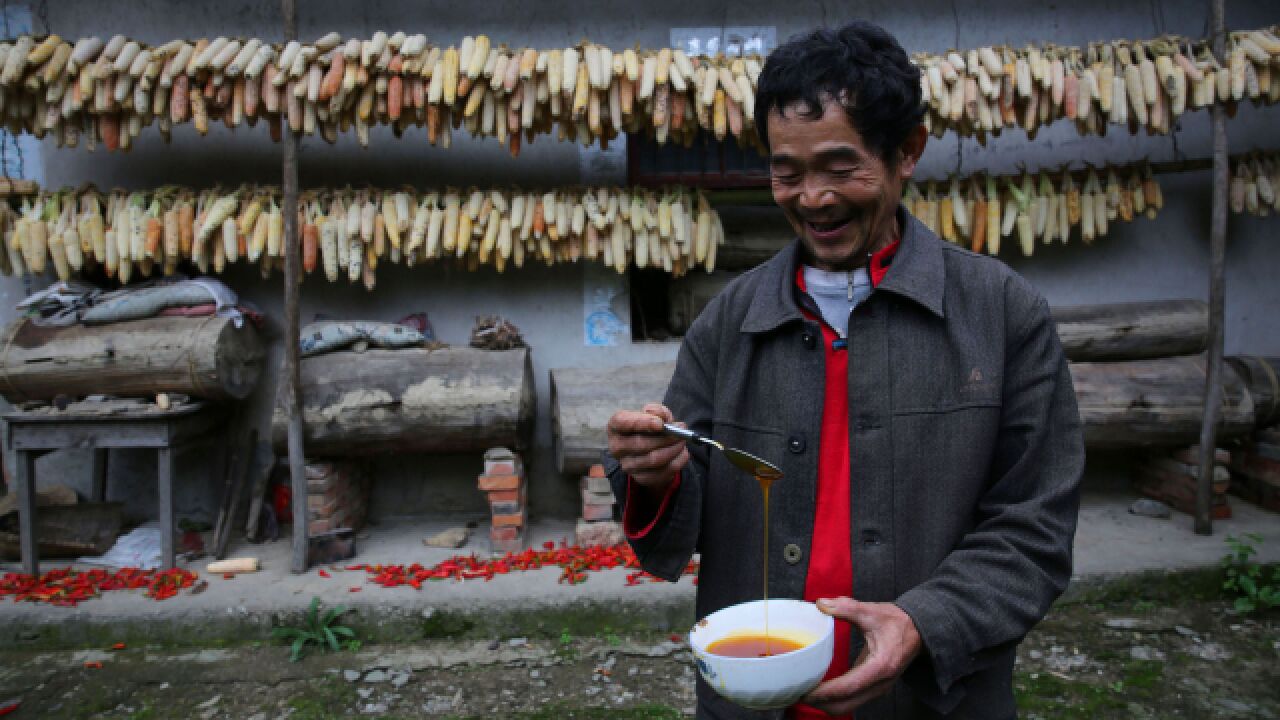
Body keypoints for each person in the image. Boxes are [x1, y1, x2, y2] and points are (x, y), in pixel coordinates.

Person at [605, 21, 1084, 720]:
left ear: (908, 152)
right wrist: (657, 473)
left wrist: (925, 620)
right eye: (786, 172)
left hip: (935, 702)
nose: (813, 198)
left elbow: (1035, 526)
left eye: (839, 168)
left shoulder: (1002, 314)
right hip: (755, 697)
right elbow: (681, 509)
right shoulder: (728, 322)